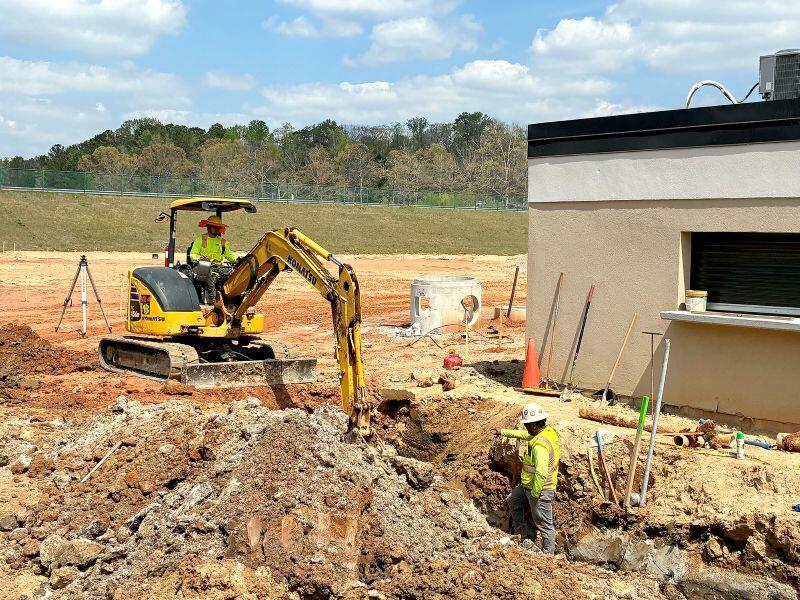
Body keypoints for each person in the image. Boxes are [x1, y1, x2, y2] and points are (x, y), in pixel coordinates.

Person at [498, 402, 560, 554]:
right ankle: (521, 536)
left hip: (541, 489)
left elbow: (541, 473)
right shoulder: (546, 432)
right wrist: (503, 432)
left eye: (527, 425)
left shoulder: (540, 446)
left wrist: (535, 494)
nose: (526, 428)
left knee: (544, 525)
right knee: (513, 500)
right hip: (528, 485)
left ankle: (548, 556)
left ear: (533, 425)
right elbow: (525, 435)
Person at [189, 215, 237, 304]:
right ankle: (213, 300)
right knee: (210, 273)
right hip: (202, 267)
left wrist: (238, 260)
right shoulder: (200, 239)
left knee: (234, 272)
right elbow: (193, 254)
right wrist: (200, 258)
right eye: (214, 227)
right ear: (208, 227)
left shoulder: (223, 242)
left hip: (218, 267)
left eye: (218, 227)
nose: (217, 229)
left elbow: (230, 256)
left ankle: (232, 299)